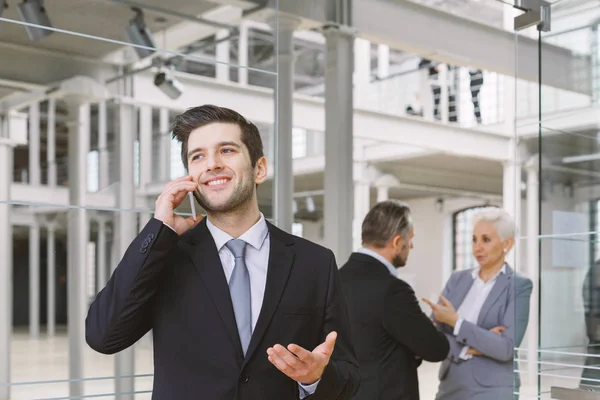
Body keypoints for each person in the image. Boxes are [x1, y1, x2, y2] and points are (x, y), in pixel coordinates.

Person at [85, 105, 360, 399]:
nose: (211, 164)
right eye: (198, 156)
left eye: (226, 150)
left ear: (259, 169)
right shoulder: (165, 257)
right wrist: (157, 229)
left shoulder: (314, 262)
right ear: (190, 175)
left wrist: (316, 377)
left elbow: (351, 375)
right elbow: (103, 336)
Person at [339, 201, 449, 400]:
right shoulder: (393, 290)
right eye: (410, 239)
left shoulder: (336, 278)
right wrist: (419, 340)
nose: (412, 245)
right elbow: (436, 349)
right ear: (397, 242)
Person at [423, 207, 533, 400]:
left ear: (506, 244)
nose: (477, 247)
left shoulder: (518, 286)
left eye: (486, 239)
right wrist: (474, 344)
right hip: (451, 385)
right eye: (474, 239)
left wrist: (456, 323)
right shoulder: (457, 279)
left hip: (493, 389)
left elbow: (505, 348)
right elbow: (432, 335)